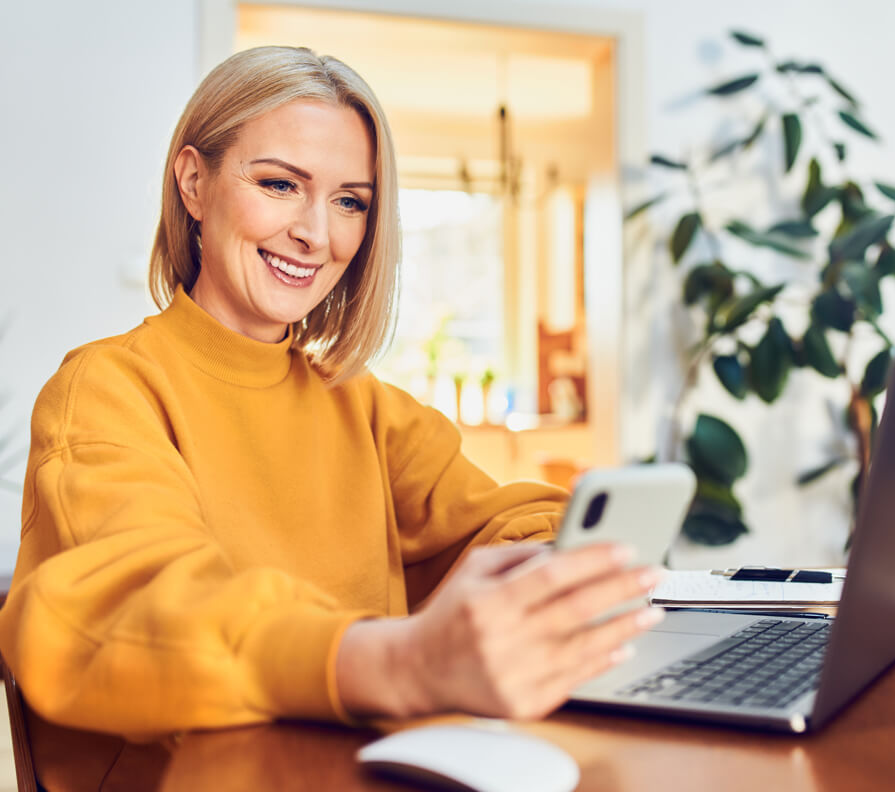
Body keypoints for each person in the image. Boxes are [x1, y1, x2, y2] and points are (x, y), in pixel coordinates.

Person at [0, 46, 660, 789]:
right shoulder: (106, 388)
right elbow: (144, 605)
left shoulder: (360, 402)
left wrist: (560, 572)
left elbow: (504, 518)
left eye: (351, 200)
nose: (318, 233)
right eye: (281, 184)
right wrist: (397, 659)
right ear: (193, 182)